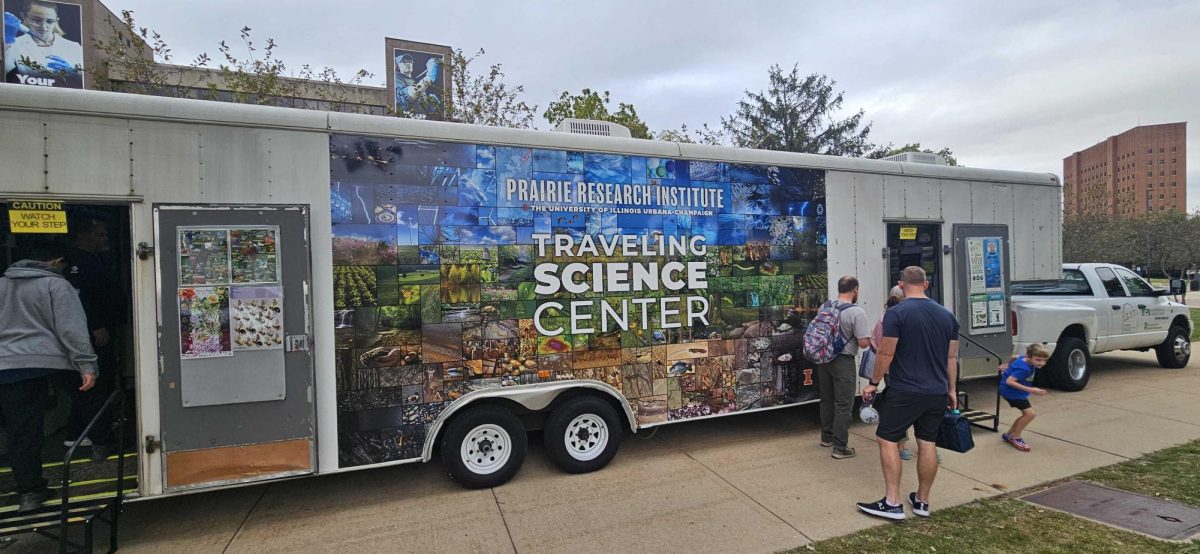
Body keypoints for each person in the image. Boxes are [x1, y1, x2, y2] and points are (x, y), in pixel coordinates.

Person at [0, 239, 97, 513]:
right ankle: (102, 443)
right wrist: (87, 365)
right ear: (55, 262)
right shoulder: (56, 285)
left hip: (7, 365)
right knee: (90, 395)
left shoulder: (1, 284)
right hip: (52, 360)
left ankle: (30, 492)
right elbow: (71, 329)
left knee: (21, 431)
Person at [858, 266, 959, 520]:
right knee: (927, 442)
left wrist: (873, 382)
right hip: (936, 391)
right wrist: (952, 389)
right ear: (926, 284)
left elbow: (886, 352)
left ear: (901, 285)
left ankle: (892, 502)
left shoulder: (897, 313)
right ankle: (922, 502)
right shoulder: (948, 316)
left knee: (887, 439)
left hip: (904, 390)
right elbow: (951, 358)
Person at [61, 216, 126, 458]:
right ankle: (93, 435)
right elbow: (77, 299)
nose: (105, 240)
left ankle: (77, 432)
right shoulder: (77, 262)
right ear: (82, 236)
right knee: (94, 384)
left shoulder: (96, 259)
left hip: (106, 328)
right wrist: (96, 326)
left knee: (98, 383)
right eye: (100, 235)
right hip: (93, 334)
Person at [817, 276, 871, 459]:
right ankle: (840, 447)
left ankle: (827, 437)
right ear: (855, 289)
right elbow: (864, 343)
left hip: (823, 360)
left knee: (826, 399)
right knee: (843, 404)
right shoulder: (856, 312)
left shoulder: (825, 306)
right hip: (843, 361)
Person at [4, 1, 84, 87]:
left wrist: (74, 73)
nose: (43, 27)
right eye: (36, 20)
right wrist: (7, 40)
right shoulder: (15, 45)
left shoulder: (73, 47)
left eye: (49, 21)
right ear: (24, 17)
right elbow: (4, 72)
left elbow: (86, 80)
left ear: (56, 20)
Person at [999, 343, 1050, 452]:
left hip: (1011, 390)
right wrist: (1032, 390)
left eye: (1044, 360)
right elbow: (1010, 381)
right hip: (1011, 392)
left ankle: (1010, 434)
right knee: (1030, 414)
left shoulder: (1023, 358)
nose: (1041, 363)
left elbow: (1015, 357)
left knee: (1026, 414)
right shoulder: (1024, 369)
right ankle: (1015, 437)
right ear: (1029, 357)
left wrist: (1008, 366)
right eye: (1038, 360)